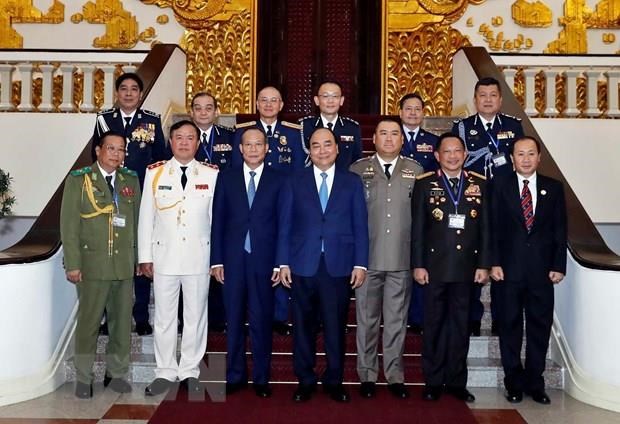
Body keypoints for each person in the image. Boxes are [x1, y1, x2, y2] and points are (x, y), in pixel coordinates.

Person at [280, 128, 369, 403]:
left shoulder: (352, 182)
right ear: (309, 150)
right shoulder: (294, 180)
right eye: (315, 146)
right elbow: (285, 225)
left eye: (327, 145)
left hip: (338, 265)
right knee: (303, 328)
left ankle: (334, 380)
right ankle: (305, 380)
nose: (322, 150)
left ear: (337, 148)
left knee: (334, 327)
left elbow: (360, 226)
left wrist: (361, 264)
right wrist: (282, 262)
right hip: (302, 264)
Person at [138, 120, 218, 396]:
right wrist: (144, 256)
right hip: (164, 257)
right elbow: (146, 217)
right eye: (179, 138)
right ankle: (165, 372)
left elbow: (214, 221)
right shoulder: (155, 173)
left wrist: (215, 258)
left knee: (196, 316)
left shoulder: (211, 174)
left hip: (199, 257)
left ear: (198, 143)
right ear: (170, 142)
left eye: (190, 138)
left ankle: (190, 371)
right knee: (163, 318)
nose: (184, 142)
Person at [60, 131, 140, 398]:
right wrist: (72, 263)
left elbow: (137, 224)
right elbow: (69, 226)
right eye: (111, 148)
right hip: (91, 265)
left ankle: (115, 374)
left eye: (121, 150)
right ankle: (83, 378)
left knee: (121, 324)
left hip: (122, 265)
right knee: (89, 323)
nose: (116, 154)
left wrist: (137, 260)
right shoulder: (79, 180)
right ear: (98, 150)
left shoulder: (130, 180)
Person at [411, 133, 490, 403]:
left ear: (465, 154)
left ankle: (456, 382)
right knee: (433, 325)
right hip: (434, 268)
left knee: (460, 325)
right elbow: (418, 230)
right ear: (437, 156)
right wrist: (418, 265)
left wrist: (484, 265)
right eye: (447, 151)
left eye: (458, 151)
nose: (453, 156)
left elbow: (486, 230)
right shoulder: (424, 184)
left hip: (468, 268)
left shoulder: (479, 184)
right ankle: (433, 381)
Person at [211, 128, 289, 398]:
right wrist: (216, 260)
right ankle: (234, 375)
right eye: (248, 145)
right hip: (232, 261)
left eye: (259, 144)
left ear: (267, 148)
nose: (253, 149)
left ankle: (261, 378)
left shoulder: (280, 180)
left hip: (265, 262)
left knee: (261, 321)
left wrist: (281, 262)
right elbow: (217, 221)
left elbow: (284, 225)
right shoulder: (226, 178)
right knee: (233, 320)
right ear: (240, 149)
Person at [489, 136, 567, 405]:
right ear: (512, 158)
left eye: (530, 154)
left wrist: (558, 265)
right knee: (509, 327)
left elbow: (560, 230)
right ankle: (513, 382)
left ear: (539, 157)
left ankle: (535, 382)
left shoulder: (553, 188)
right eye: (520, 154)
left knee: (539, 328)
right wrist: (493, 262)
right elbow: (491, 228)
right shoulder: (499, 185)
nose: (525, 159)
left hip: (542, 273)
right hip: (507, 271)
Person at [350, 119, 423, 399]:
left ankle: (394, 375)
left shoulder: (416, 172)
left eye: (395, 134)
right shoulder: (357, 170)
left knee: (396, 321)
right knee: (366, 321)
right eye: (383, 133)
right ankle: (367, 374)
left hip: (401, 259)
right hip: (366, 261)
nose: (389, 139)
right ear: (374, 139)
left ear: (402, 139)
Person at [92, 72, 170, 336]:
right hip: (110, 197)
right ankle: (109, 318)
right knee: (110, 256)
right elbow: (97, 154)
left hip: (140, 196)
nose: (128, 93)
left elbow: (161, 159)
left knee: (140, 255)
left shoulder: (152, 120)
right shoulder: (104, 120)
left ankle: (141, 317)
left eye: (134, 89)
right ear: (117, 93)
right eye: (123, 89)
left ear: (140, 93)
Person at [451, 77, 524, 336]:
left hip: (506, 202)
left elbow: (520, 161)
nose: (488, 99)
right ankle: (472, 316)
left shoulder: (513, 126)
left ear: (500, 99)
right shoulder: (462, 127)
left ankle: (501, 318)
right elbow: (457, 161)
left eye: (493, 95)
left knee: (503, 261)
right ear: (475, 99)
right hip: (474, 200)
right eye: (483, 95)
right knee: (472, 258)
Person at [232, 86, 305, 336]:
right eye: (264, 100)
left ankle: (279, 315)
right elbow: (235, 169)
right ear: (256, 103)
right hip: (253, 207)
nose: (269, 104)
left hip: (283, 204)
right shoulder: (243, 133)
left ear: (282, 105)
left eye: (274, 100)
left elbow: (297, 171)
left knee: (280, 256)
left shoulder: (294, 133)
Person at [189, 92, 234, 333]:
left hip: (222, 206)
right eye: (198, 108)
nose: (203, 112)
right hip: (192, 208)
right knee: (192, 263)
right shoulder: (183, 137)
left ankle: (217, 318)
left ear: (217, 111)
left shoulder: (229, 137)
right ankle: (187, 318)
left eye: (208, 108)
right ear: (191, 112)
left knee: (217, 260)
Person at [399, 92, 439, 335]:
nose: (413, 113)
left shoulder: (433, 141)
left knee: (420, 263)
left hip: (423, 211)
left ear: (424, 113)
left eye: (417, 109)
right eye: (408, 109)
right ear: (400, 112)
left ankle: (418, 317)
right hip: (397, 209)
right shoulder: (390, 137)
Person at [300, 81, 362, 169]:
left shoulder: (352, 128)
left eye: (335, 96)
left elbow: (357, 161)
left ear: (341, 100)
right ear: (317, 100)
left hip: (343, 179)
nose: (330, 101)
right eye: (325, 96)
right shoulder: (304, 126)